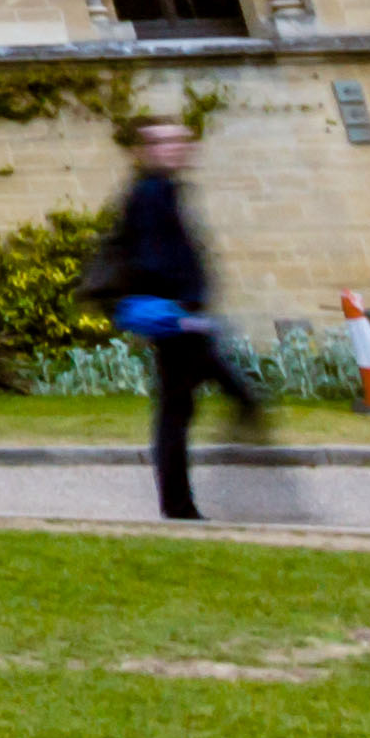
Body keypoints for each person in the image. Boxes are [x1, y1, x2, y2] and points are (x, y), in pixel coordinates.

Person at [98, 114, 272, 518]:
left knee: (178, 409)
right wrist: (184, 306)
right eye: (164, 142)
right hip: (175, 316)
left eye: (180, 141)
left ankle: (179, 502)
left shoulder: (165, 190)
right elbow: (153, 258)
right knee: (183, 406)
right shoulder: (149, 193)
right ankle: (244, 410)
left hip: (180, 315)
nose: (176, 148)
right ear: (147, 150)